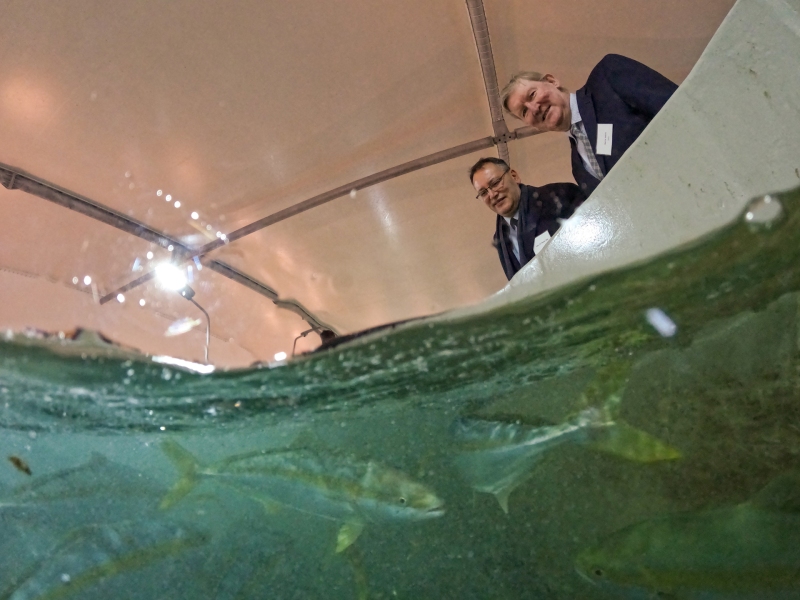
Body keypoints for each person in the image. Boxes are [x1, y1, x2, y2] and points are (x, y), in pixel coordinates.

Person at [501, 54, 678, 195]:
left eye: (532, 94)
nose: (534, 108)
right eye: (524, 112)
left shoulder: (607, 77)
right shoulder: (578, 169)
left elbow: (678, 107)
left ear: (551, 81)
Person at [470, 157, 585, 280]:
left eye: (495, 183)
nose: (492, 194)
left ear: (514, 176)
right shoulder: (500, 238)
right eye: (483, 193)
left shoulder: (561, 196)